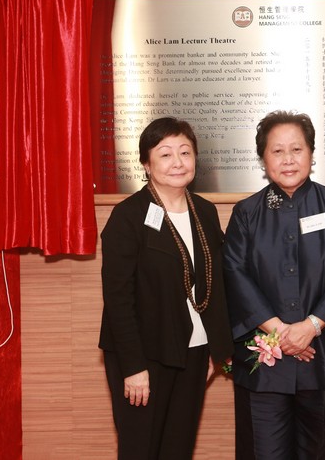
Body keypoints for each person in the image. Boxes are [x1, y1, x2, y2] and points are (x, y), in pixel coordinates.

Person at [224, 111, 325, 459]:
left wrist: (311, 326)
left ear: (311, 153)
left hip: (324, 359)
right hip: (265, 366)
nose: (288, 159)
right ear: (263, 158)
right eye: (277, 151)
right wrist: (281, 333)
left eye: (297, 149)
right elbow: (235, 273)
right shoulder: (246, 213)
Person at [99, 117, 233, 459]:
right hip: (145, 355)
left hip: (193, 349)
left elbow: (215, 282)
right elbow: (118, 299)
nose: (178, 162)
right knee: (141, 449)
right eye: (166, 154)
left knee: (178, 448)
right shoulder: (128, 216)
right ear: (146, 163)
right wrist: (133, 367)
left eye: (185, 153)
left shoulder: (204, 211)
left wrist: (216, 349)